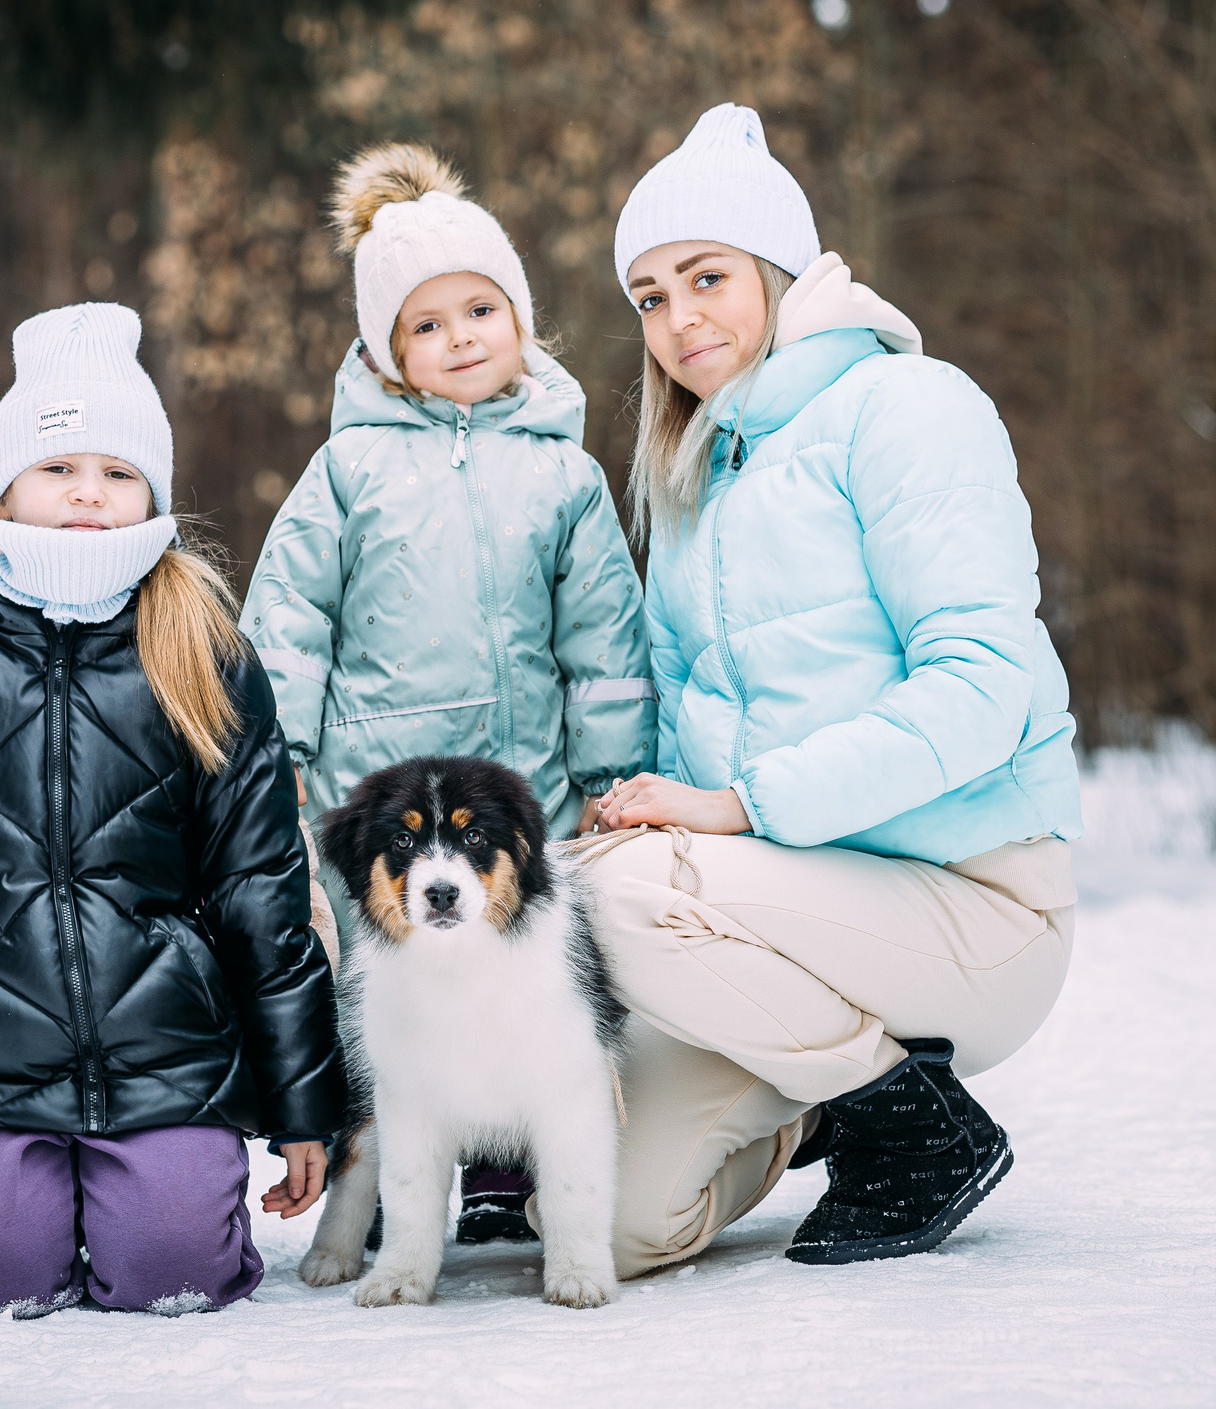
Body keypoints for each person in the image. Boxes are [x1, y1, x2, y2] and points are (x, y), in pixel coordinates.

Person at [576, 103, 1081, 1275]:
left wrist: (739, 808)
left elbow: (984, 685)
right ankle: (827, 1083)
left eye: (706, 277)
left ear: (779, 270)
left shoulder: (908, 406)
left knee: (612, 894)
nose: (678, 318)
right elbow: (678, 725)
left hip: (973, 904)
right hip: (786, 924)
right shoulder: (689, 479)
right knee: (606, 1220)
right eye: (648, 296)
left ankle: (913, 1127)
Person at [0, 303, 342, 1317]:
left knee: (175, 1270)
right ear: (4, 486)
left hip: (170, 1056)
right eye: (58, 466)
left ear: (153, 494)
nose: (89, 492)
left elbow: (263, 890)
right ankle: (21, 1203)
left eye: (118, 471)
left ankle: (156, 1195)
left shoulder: (206, 653)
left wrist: (301, 1101)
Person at [241, 144, 655, 1242]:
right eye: (426, 324)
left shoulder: (565, 477)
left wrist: (613, 772)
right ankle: (380, 1168)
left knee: (518, 974)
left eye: (480, 310)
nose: (460, 337)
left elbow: (602, 642)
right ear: (388, 355)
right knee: (386, 982)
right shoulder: (347, 471)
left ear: (519, 319)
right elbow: (289, 621)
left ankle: (509, 1167)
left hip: (523, 790)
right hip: (374, 792)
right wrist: (277, 754)